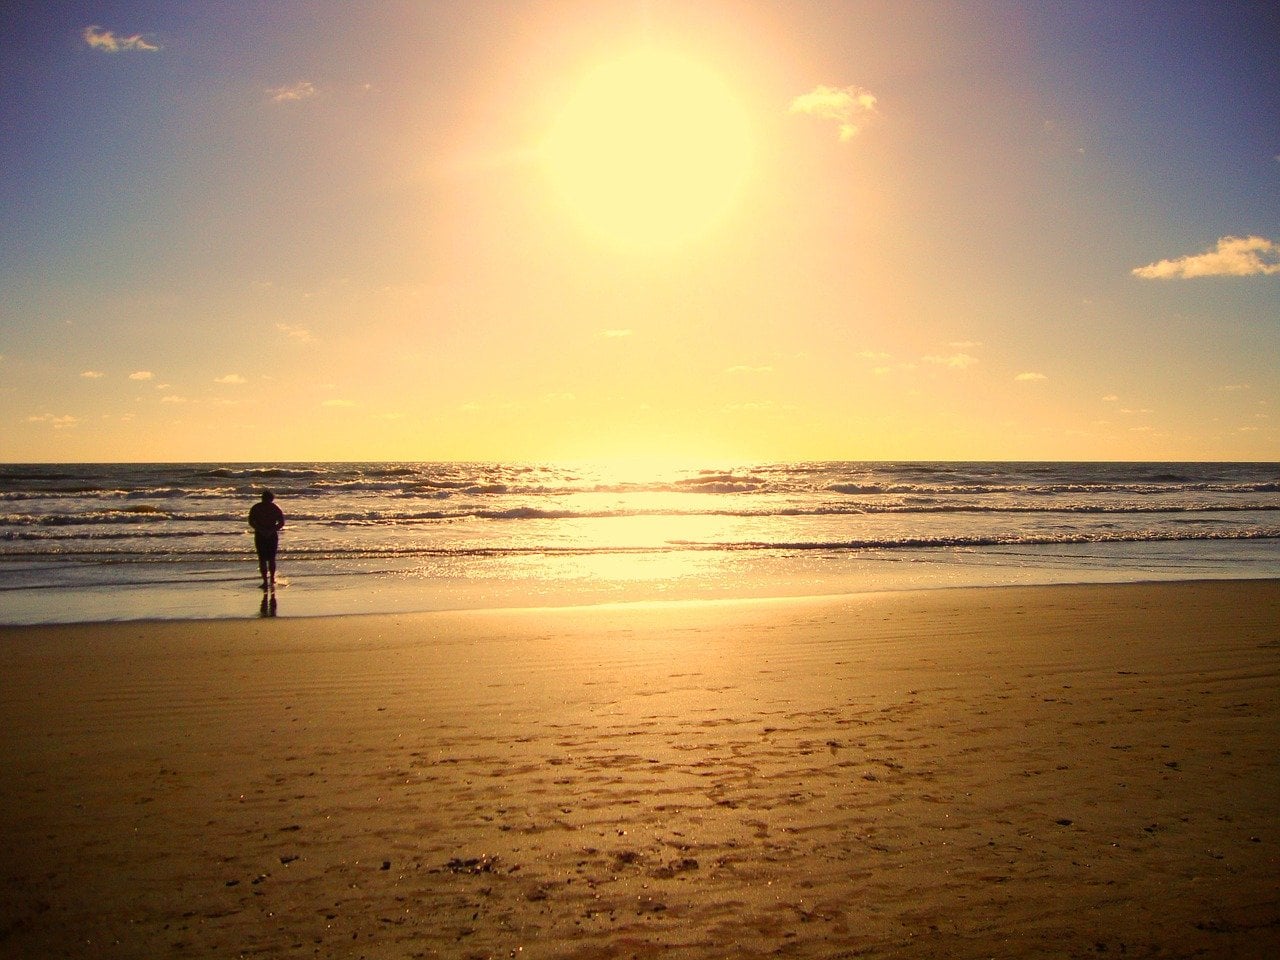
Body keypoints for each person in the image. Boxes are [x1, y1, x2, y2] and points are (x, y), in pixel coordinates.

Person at [248, 490, 285, 589]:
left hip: (261, 534)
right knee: (270, 558)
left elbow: (251, 521)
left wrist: (260, 529)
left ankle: (266, 581)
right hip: (270, 534)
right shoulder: (274, 508)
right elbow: (281, 522)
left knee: (263, 559)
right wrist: (272, 530)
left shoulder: (256, 507)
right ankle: (271, 579)